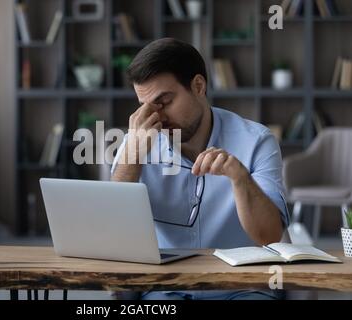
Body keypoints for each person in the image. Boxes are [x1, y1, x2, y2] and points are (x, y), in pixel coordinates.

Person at [110, 38, 289, 300]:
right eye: (145, 106)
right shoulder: (137, 141)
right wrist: (133, 155)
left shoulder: (256, 141)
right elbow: (114, 227)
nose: (156, 117)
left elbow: (270, 236)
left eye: (165, 101)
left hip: (242, 287)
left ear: (198, 86)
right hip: (166, 288)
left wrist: (240, 178)